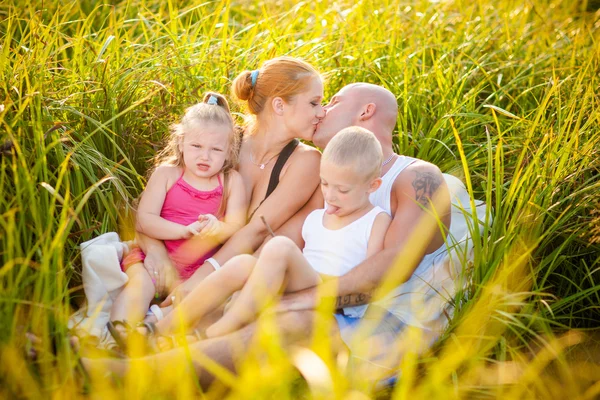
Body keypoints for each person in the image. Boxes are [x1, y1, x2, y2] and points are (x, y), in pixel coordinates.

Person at [82, 82, 487, 387]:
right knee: (244, 282)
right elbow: (284, 243)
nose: (322, 111)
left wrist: (289, 303)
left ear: (365, 112)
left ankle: (118, 377)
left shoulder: (418, 176)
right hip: (319, 297)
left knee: (293, 325)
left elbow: (389, 270)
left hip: (373, 325)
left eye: (333, 103)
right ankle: (144, 338)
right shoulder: (328, 186)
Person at [144, 127, 391, 339]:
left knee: (281, 246)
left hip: (332, 302)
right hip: (298, 286)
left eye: (343, 190)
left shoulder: (375, 220)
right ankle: (162, 328)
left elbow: (370, 279)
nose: (330, 195)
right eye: (325, 184)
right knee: (243, 263)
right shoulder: (316, 218)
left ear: (373, 186)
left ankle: (217, 332)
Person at [137, 57, 325, 310]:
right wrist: (155, 251)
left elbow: (257, 230)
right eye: (314, 103)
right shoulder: (220, 142)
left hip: (229, 278)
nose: (321, 112)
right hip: (168, 261)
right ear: (279, 105)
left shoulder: (306, 161)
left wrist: (200, 280)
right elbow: (151, 208)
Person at [108, 92, 247, 337]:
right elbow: (144, 220)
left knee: (199, 304)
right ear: (181, 142)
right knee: (140, 286)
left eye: (216, 149)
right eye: (196, 146)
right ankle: (119, 331)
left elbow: (237, 225)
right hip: (150, 260)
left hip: (196, 270)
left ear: (229, 151)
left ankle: (151, 333)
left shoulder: (230, 181)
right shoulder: (168, 174)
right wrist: (182, 231)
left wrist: (218, 227)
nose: (205, 156)